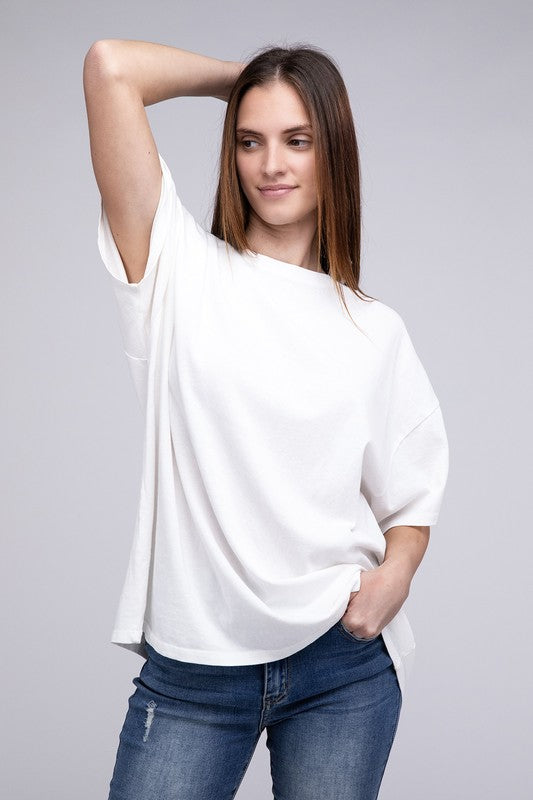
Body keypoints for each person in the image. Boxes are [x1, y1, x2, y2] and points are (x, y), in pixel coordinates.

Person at [83, 38, 449, 800]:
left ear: (331, 152)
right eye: (250, 141)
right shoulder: (175, 274)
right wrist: (241, 83)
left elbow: (411, 499)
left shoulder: (373, 330)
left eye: (298, 140)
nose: (270, 163)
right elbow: (110, 67)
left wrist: (397, 576)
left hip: (338, 668)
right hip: (193, 672)